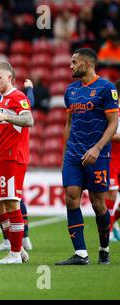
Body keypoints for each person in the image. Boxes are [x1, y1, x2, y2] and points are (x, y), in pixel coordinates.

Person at [57, 48, 118, 265]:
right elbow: (68, 124)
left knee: (98, 203)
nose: (70, 66)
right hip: (73, 153)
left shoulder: (106, 88)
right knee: (71, 197)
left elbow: (113, 123)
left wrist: (98, 148)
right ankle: (81, 254)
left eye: (74, 62)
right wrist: (65, 151)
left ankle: (104, 248)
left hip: (97, 155)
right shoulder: (71, 90)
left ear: (87, 64)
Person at [0, 61, 33, 264]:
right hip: (1, 158)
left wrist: (6, 116)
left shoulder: (18, 97)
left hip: (13, 157)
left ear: (9, 77)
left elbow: (29, 120)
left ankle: (15, 253)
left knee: (11, 202)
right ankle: (19, 249)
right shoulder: (2, 100)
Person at [108, 79, 120, 241]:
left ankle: (113, 222)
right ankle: (108, 231)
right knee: (110, 195)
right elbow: (110, 133)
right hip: (113, 157)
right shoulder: (114, 110)